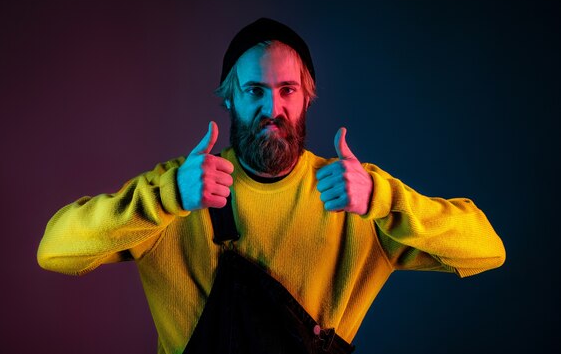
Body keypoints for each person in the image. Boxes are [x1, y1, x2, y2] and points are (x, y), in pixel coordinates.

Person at [37, 18, 506, 354]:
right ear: (230, 98)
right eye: (254, 91)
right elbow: (55, 251)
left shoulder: (356, 197)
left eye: (287, 91)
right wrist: (167, 198)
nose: (272, 108)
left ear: (306, 99)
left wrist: (383, 201)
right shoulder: (179, 190)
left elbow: (487, 250)